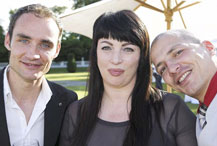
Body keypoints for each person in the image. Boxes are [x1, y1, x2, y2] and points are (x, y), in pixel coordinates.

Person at [59, 10, 197, 146]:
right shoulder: (76, 113)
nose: (116, 59)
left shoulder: (170, 109)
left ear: (142, 57)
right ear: (95, 53)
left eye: (128, 49)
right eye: (106, 47)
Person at [0, 4, 78, 146]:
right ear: (8, 40)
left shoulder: (68, 102)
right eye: (24, 41)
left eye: (45, 45)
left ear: (57, 50)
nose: (33, 55)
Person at [150, 29, 217, 146]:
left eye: (178, 53)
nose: (172, 69)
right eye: (162, 69)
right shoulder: (204, 113)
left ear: (209, 48)